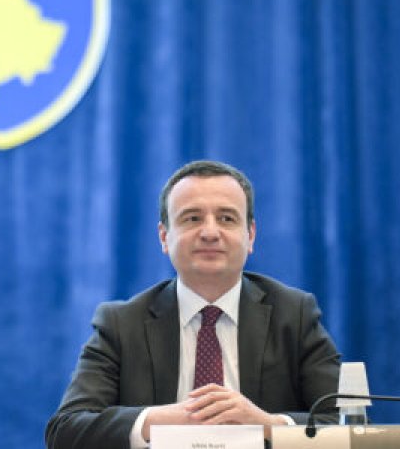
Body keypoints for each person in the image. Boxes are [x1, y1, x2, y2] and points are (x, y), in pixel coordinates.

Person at [46, 160, 340, 449]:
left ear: (250, 235)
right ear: (164, 237)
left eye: (227, 218)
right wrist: (159, 421)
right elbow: (66, 430)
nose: (210, 232)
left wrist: (267, 425)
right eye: (192, 218)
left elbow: (347, 426)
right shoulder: (121, 324)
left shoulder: (294, 315)